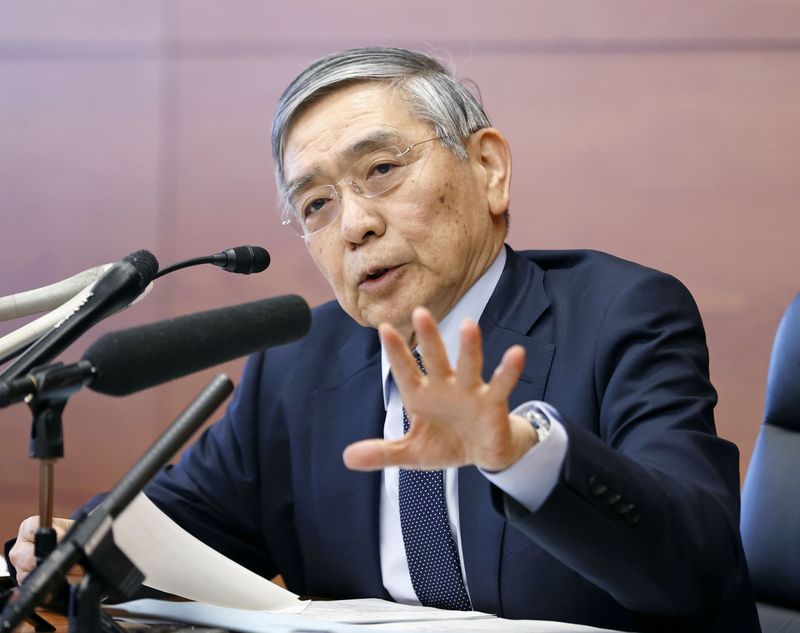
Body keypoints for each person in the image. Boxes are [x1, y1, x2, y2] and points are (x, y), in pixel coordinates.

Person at [10, 47, 759, 632]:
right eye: (316, 204)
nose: (356, 224)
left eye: (381, 169)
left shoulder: (621, 313)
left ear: (489, 169)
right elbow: (168, 537)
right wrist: (69, 549)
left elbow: (696, 565)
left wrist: (518, 454)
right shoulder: (296, 364)